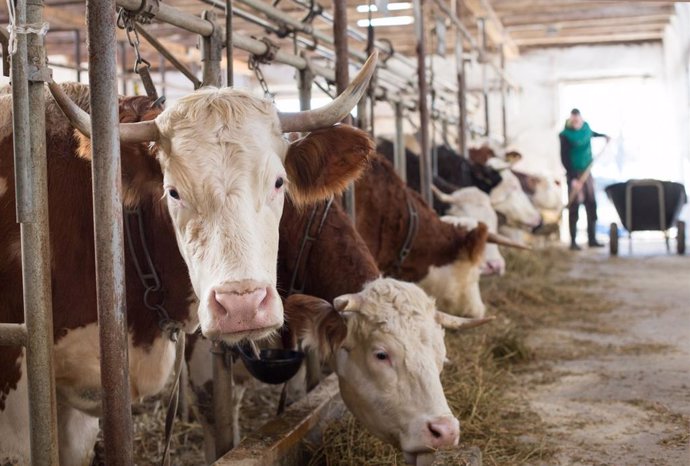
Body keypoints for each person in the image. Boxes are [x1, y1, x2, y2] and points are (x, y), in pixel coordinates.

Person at [559, 108, 610, 251]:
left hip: (587, 173)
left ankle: (592, 239)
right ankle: (573, 242)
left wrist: (604, 136)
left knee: (591, 204)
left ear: (581, 119)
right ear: (570, 120)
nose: (576, 122)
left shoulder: (586, 129)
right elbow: (564, 158)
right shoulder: (565, 136)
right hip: (574, 174)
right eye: (573, 120)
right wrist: (572, 178)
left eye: (577, 120)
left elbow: (592, 134)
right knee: (574, 206)